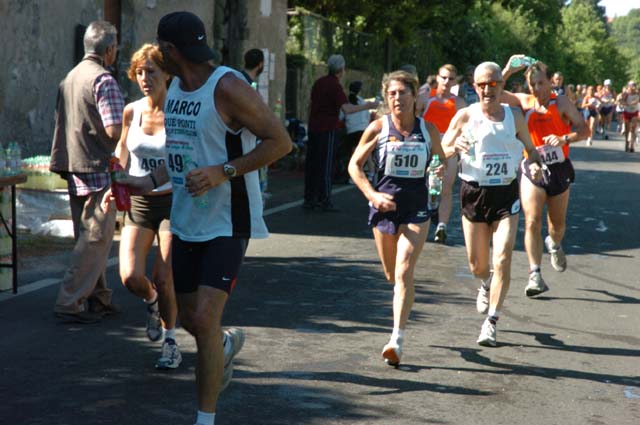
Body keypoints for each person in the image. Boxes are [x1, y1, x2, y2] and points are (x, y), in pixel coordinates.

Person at [120, 11, 292, 425]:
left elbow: (281, 142)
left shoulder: (229, 86)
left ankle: (204, 418)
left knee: (204, 318)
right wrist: (146, 181)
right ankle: (225, 346)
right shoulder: (175, 88)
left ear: (170, 49)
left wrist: (224, 172)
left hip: (228, 221)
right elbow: (181, 153)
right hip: (184, 220)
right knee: (199, 325)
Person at [441, 61, 543, 346]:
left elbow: (531, 152)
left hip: (505, 195)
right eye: (482, 84)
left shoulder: (514, 116)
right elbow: (441, 150)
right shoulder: (465, 116)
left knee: (503, 257)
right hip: (474, 193)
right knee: (477, 265)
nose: (488, 89)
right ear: (475, 88)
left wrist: (534, 165)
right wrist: (454, 147)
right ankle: (485, 284)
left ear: (501, 85)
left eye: (494, 83)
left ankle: (492, 321)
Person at [348, 70, 444, 365]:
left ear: (415, 96)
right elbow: (355, 165)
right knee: (392, 275)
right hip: (384, 207)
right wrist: (372, 196)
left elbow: (440, 159)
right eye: (391, 93)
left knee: (403, 272)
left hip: (416, 208)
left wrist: (439, 171)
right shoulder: (378, 128)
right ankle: (400, 310)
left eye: (403, 92)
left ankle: (396, 340)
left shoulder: (428, 130)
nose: (397, 98)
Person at [100, 43, 181, 369]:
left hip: (174, 203)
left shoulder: (177, 112)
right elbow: (122, 151)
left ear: (167, 74)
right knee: (130, 276)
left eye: (152, 72)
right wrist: (114, 184)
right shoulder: (131, 110)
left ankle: (171, 342)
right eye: (140, 72)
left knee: (164, 277)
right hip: (138, 203)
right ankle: (152, 302)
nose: (145, 78)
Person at [49, 21, 124, 324]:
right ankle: (70, 300)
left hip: (73, 162)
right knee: (95, 238)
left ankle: (99, 298)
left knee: (90, 238)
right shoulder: (104, 80)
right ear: (109, 50)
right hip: (97, 165)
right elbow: (114, 128)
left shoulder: (69, 78)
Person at [501, 57, 590, 298]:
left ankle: (555, 244)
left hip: (559, 169)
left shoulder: (560, 102)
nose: (536, 89)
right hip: (533, 167)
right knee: (531, 220)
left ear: (550, 82)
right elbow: (495, 92)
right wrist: (508, 70)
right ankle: (534, 274)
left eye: (540, 83)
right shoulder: (525, 103)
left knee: (557, 226)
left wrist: (565, 139)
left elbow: (585, 129)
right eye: (532, 85)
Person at [304, 54, 378, 211]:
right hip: (328, 128)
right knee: (326, 164)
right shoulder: (335, 86)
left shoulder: (319, 83)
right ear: (341, 70)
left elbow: (310, 105)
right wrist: (368, 105)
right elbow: (347, 108)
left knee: (313, 164)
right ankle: (325, 199)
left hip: (314, 127)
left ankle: (310, 198)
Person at [422, 64, 467, 244]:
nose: (447, 82)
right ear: (437, 78)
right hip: (427, 147)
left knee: (446, 188)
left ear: (455, 81)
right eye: (444, 77)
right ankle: (432, 205)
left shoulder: (459, 103)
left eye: (451, 79)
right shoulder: (426, 98)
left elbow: (467, 126)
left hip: (449, 148)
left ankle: (442, 226)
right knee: (431, 187)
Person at [341, 81, 373, 181]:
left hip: (351, 131)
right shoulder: (363, 102)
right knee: (367, 154)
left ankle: (353, 176)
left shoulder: (346, 102)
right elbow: (367, 116)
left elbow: (341, 116)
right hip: (363, 130)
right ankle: (372, 174)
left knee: (354, 155)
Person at [619, 80, 639, 152]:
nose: (632, 87)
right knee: (627, 130)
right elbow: (620, 101)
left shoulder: (638, 93)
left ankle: (632, 145)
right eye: (631, 85)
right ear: (628, 86)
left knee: (633, 129)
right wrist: (625, 103)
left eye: (634, 85)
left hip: (634, 112)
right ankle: (626, 143)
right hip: (627, 112)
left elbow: (638, 100)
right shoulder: (625, 94)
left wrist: (635, 102)